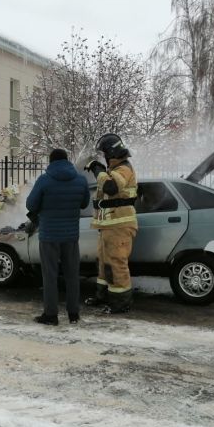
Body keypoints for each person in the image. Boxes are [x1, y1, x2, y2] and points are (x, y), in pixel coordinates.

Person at [26, 148, 90, 326]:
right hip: (71, 236)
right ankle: (73, 314)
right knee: (72, 275)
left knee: (50, 276)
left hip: (49, 236)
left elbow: (31, 204)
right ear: (67, 160)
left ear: (51, 161)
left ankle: (51, 315)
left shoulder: (44, 180)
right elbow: (84, 203)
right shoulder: (80, 180)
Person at [84, 134, 139, 314]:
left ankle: (120, 303)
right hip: (109, 225)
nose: (104, 158)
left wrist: (97, 170)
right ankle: (103, 296)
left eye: (105, 154)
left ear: (112, 152)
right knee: (103, 262)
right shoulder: (114, 169)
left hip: (119, 225)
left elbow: (111, 188)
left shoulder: (124, 169)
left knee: (116, 263)